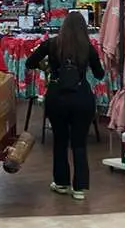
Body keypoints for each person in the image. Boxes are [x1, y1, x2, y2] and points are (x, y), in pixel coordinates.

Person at [27, 11, 103, 201]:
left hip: (57, 96)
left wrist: (47, 67)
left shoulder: (52, 44)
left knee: (60, 141)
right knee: (79, 143)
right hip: (82, 98)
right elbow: (100, 74)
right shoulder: (88, 47)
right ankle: (79, 188)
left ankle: (61, 182)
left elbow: (30, 62)